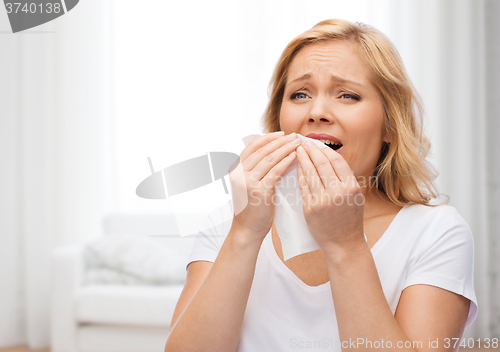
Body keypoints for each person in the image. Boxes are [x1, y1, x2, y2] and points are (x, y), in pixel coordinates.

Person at [164, 19, 477, 352]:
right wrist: (244, 234)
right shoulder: (228, 222)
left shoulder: (437, 233)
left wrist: (345, 244)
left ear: (390, 125)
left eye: (348, 95)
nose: (317, 112)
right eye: (299, 94)